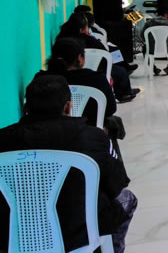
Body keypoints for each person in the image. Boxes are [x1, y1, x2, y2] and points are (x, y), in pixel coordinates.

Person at [0, 75, 137, 253]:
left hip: (14, 236)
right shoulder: (94, 137)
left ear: (26, 108)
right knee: (127, 198)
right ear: (68, 106)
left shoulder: (3, 140)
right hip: (78, 236)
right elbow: (116, 185)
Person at [34, 38, 117, 129]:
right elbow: (111, 109)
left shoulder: (40, 79)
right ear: (79, 58)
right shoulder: (98, 79)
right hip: (88, 131)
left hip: (47, 132)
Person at [57, 13, 138, 103]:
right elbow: (105, 57)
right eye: (87, 27)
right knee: (120, 71)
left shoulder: (61, 39)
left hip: (65, 73)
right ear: (82, 30)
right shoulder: (90, 41)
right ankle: (124, 93)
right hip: (95, 70)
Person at [142, 5, 168, 76]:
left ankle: (153, 69)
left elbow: (142, 36)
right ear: (166, 15)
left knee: (144, 48)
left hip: (151, 50)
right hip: (166, 50)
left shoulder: (148, 23)